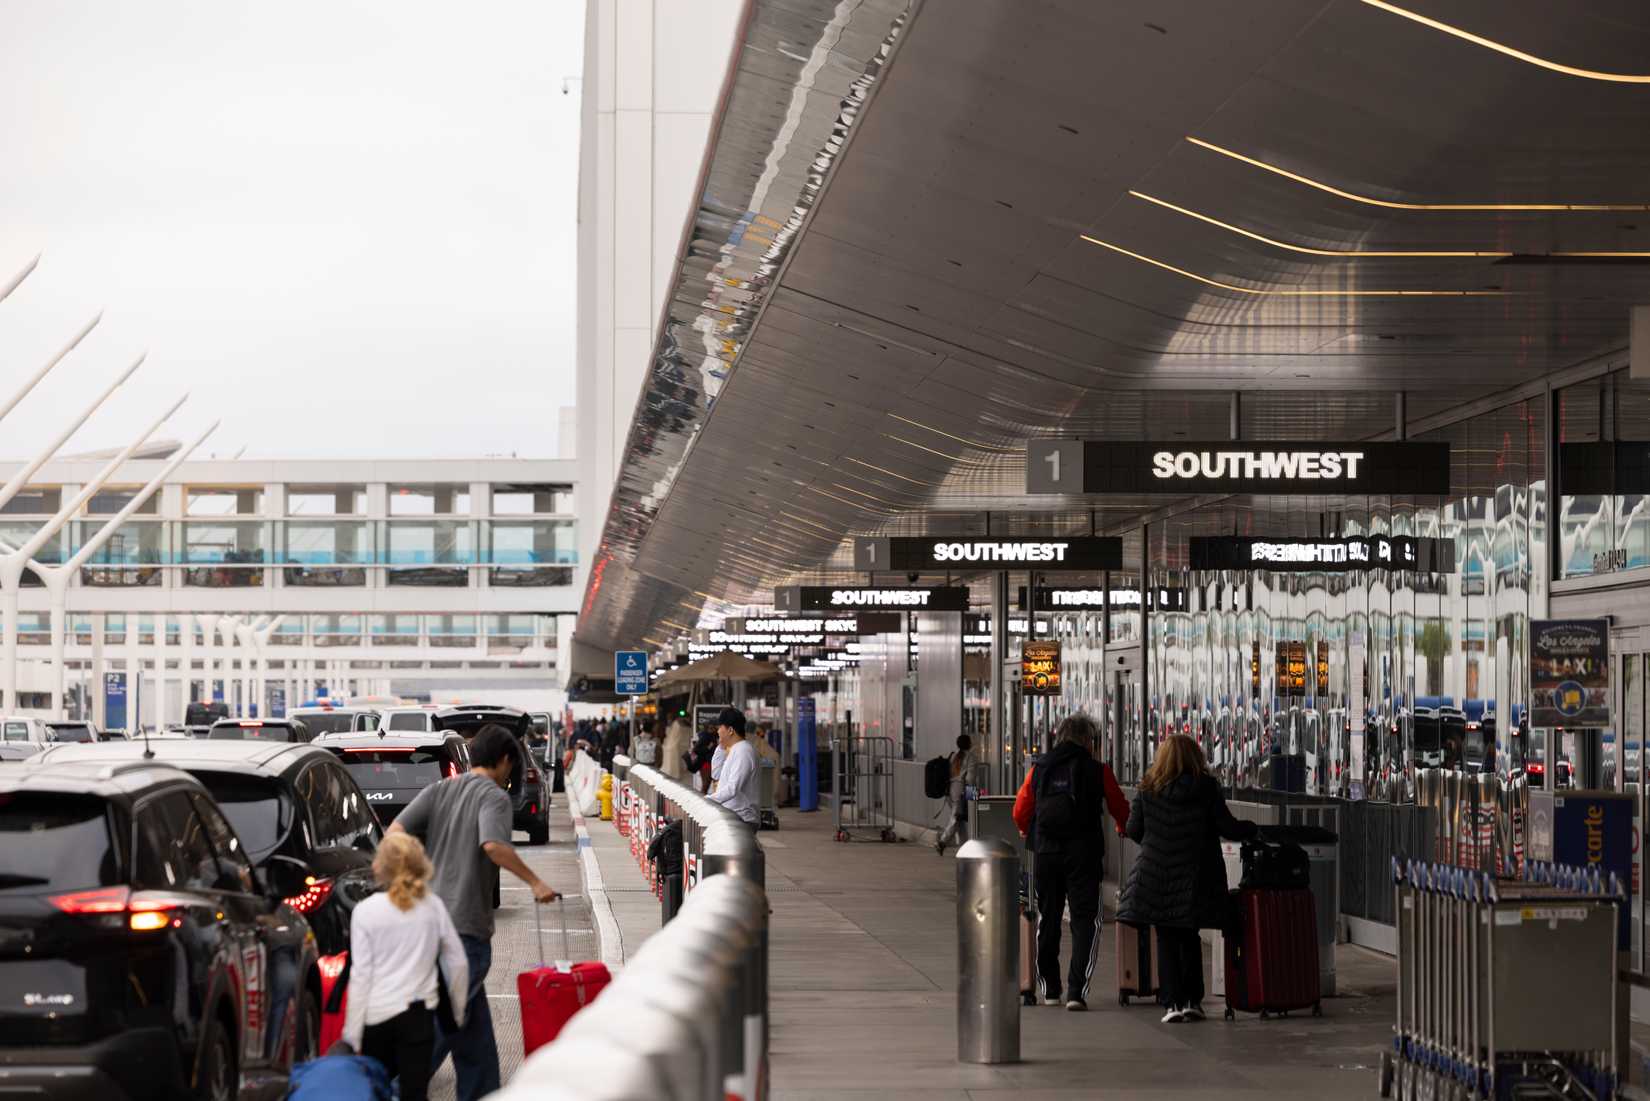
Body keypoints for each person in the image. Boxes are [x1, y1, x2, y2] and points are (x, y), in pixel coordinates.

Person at [389, 725, 561, 1101]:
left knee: (475, 1043)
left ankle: (482, 1093)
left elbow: (395, 832)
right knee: (440, 1027)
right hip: (464, 933)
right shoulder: (494, 798)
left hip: (428, 925)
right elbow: (494, 846)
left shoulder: (439, 789)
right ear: (504, 760)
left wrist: (414, 878)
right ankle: (390, 1091)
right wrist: (535, 883)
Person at [1118, 733, 1257, 1024]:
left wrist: (1156, 844)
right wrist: (1253, 828)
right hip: (1195, 873)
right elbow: (1227, 827)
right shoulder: (1206, 788)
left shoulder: (1148, 788)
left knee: (1166, 937)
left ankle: (1172, 1004)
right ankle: (1194, 1000)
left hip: (1155, 873)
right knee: (1189, 935)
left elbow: (1133, 829)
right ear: (1197, 757)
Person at [1011, 713, 1130, 1011]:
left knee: (1048, 918)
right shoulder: (1098, 770)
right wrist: (1122, 827)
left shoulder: (1040, 768)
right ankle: (1076, 992)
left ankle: (1050, 989)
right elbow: (1120, 808)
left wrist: (1028, 830)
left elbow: (1020, 810)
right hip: (1084, 855)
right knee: (1085, 920)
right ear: (1089, 741)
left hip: (1047, 853)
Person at [342, 833, 469, 1101]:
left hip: (376, 1018)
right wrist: (456, 1011)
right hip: (417, 1016)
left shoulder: (364, 911)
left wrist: (352, 1031)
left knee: (375, 1091)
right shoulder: (432, 906)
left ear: (380, 866)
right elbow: (457, 962)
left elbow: (361, 975)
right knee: (415, 1092)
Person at [705, 706, 759, 831]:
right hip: (734, 817)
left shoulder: (744, 751)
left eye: (720, 728)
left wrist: (707, 800)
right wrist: (721, 747)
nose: (717, 731)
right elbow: (716, 774)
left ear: (730, 730)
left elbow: (732, 788)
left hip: (742, 820)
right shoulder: (735, 749)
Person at [934, 734, 979, 856]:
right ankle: (942, 842)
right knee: (958, 818)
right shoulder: (971, 757)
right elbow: (970, 778)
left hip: (950, 790)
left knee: (960, 820)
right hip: (963, 789)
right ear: (969, 743)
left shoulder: (953, 756)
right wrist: (973, 795)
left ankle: (965, 848)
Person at [660, 714, 692, 780]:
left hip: (676, 747)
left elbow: (671, 735)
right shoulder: (686, 726)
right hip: (682, 747)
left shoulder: (676, 724)